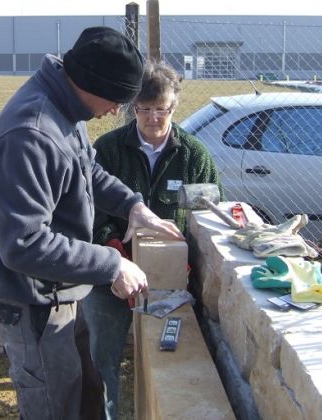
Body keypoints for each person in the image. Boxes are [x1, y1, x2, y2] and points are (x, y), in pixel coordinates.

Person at [0, 27, 183, 420]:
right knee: (55, 403)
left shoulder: (68, 105)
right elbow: (24, 243)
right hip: (33, 301)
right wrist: (112, 264)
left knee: (84, 388)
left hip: (63, 288)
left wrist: (132, 206)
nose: (113, 113)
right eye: (117, 102)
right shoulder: (31, 134)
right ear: (92, 83)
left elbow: (87, 170)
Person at [82, 60, 223, 420]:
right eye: (144, 109)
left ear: (173, 108)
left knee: (167, 356)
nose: (152, 119)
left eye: (161, 110)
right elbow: (88, 214)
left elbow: (206, 219)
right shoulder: (110, 150)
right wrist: (113, 255)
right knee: (102, 359)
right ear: (133, 108)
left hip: (169, 284)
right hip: (110, 276)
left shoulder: (194, 157)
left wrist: (187, 265)